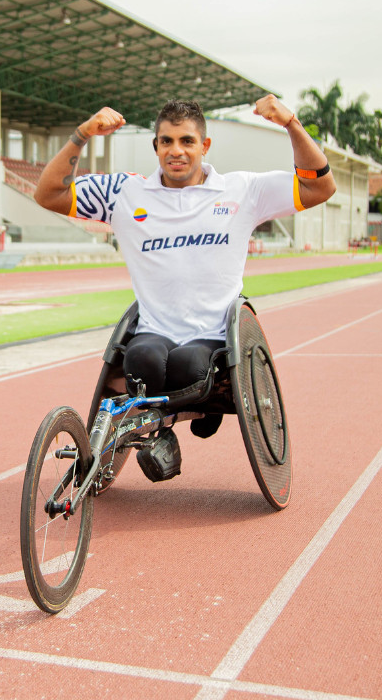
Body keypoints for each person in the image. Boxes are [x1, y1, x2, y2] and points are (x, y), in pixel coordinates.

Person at [34, 96, 335, 481]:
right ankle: (162, 436)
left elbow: (320, 187)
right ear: (156, 146)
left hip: (212, 338)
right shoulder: (125, 193)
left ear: (204, 146)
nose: (176, 151)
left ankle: (205, 409)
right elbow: (49, 195)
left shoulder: (242, 190)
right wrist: (81, 135)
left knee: (189, 367)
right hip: (155, 331)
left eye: (187, 141)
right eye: (167, 141)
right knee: (139, 362)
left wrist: (291, 123)